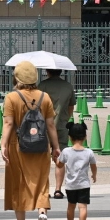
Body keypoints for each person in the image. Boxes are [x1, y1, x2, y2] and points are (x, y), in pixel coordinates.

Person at [0, 61, 61, 220]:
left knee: (18, 182)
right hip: (41, 145)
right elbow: (50, 124)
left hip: (17, 145)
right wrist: (56, 147)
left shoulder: (12, 97)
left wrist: (3, 145)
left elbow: (8, 123)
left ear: (17, 77)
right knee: (41, 181)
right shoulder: (45, 97)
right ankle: (42, 212)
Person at [39, 68, 76, 198]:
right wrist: (64, 118)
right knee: (60, 159)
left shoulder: (42, 86)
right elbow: (71, 106)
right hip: (61, 125)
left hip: (43, 126)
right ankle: (58, 189)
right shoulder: (68, 86)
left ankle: (44, 190)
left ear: (47, 71)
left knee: (43, 159)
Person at [57, 121, 98, 220]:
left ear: (70, 137)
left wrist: (56, 159)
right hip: (84, 184)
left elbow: (59, 165)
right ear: (85, 137)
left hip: (70, 185)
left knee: (71, 206)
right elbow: (93, 166)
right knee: (83, 207)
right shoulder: (89, 152)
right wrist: (94, 175)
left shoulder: (66, 151)